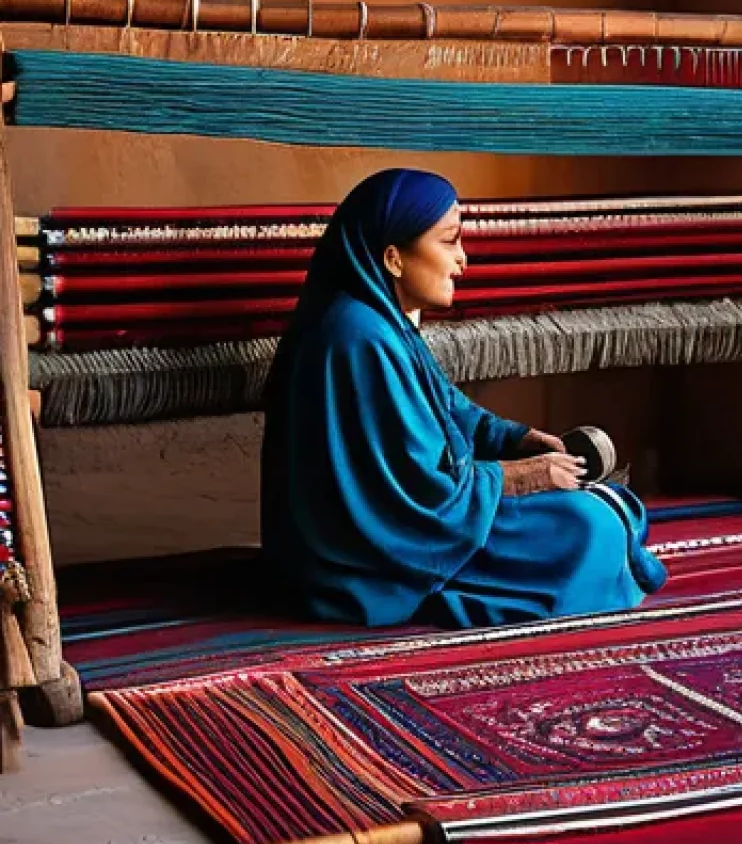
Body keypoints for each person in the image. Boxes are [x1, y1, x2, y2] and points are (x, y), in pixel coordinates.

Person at [260, 168, 666, 628]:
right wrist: (518, 479)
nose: (462, 260)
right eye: (449, 241)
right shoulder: (357, 337)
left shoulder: (383, 324)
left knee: (607, 507)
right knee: (591, 526)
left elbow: (446, 408)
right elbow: (409, 493)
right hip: (373, 558)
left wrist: (518, 441)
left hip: (432, 518)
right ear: (393, 258)